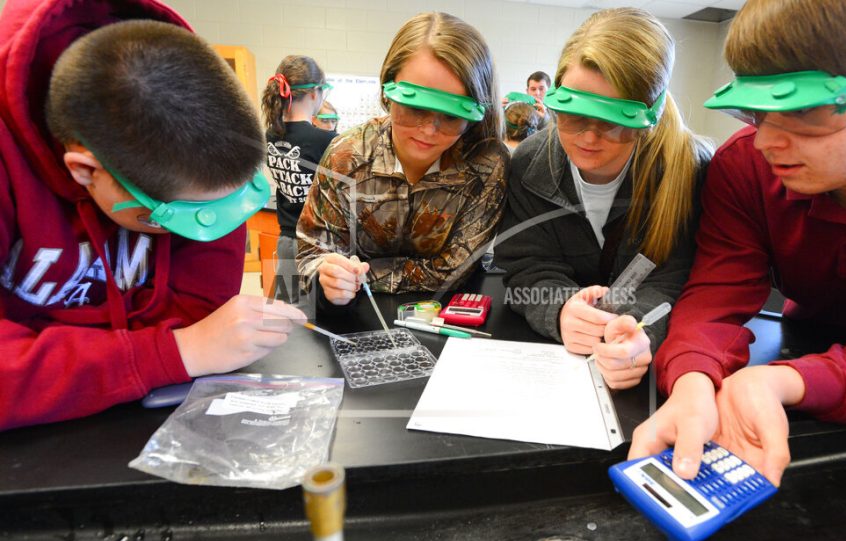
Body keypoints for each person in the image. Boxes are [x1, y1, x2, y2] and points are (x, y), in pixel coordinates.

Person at [628, 0, 846, 487]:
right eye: (757, 110)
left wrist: (788, 380)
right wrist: (692, 379)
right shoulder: (746, 169)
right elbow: (716, 292)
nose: (764, 142)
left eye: (803, 108)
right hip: (812, 340)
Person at [0, 0, 306, 431]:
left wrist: (60, 359)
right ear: (85, 171)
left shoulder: (201, 162)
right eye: (177, 219)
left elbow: (201, 309)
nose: (208, 229)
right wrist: (173, 352)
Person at [495, 8, 713, 390]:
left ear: (648, 116)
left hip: (641, 366)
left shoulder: (689, 170)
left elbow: (677, 279)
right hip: (554, 367)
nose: (589, 138)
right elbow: (526, 264)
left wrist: (641, 329)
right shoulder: (530, 163)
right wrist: (560, 309)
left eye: (613, 122)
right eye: (573, 115)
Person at [295, 12, 508, 309]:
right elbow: (311, 253)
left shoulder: (486, 165)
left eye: (451, 116)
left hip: (452, 316)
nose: (428, 130)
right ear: (388, 90)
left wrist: (364, 276)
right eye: (413, 108)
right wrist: (326, 273)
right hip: (354, 316)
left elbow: (452, 271)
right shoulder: (347, 155)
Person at [262, 55, 337, 303]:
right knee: (316, 320)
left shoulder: (271, 136)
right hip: (317, 246)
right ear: (315, 93)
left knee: (284, 311)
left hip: (286, 240)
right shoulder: (326, 141)